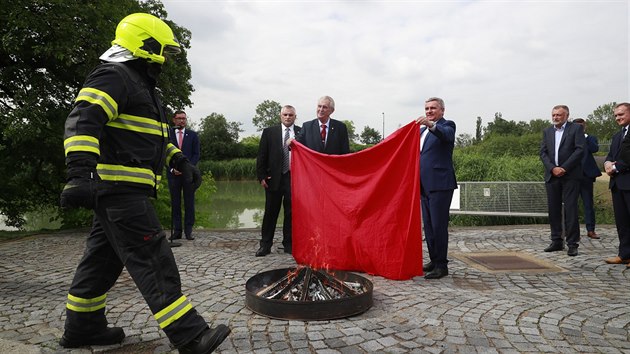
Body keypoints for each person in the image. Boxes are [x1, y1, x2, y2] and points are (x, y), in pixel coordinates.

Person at [58, 13, 230, 352]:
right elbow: (82, 119)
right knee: (153, 258)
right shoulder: (115, 75)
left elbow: (151, 139)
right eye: (164, 51)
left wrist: (178, 159)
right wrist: (79, 172)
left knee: (100, 262)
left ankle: (83, 327)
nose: (166, 59)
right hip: (120, 191)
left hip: (120, 191)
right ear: (146, 44)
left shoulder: (143, 88)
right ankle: (191, 336)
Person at [415, 97, 457, 280]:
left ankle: (442, 265)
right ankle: (433, 260)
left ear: (442, 110)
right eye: (427, 108)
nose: (429, 111)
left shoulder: (447, 125)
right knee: (429, 227)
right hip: (424, 185)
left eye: (433, 108)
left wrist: (431, 125)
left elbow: (445, 135)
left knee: (439, 226)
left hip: (440, 184)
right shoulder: (421, 131)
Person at [255, 105, 301, 256]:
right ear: (280, 116)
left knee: (291, 214)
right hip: (273, 179)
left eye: (291, 115)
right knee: (270, 213)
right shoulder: (269, 132)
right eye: (285, 115)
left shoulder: (301, 132)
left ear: (295, 116)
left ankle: (289, 244)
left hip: (294, 179)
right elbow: (262, 155)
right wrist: (261, 176)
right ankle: (265, 245)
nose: (288, 117)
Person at [539, 105, 585, 257]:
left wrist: (564, 168)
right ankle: (556, 240)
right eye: (553, 114)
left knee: (570, 210)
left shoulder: (575, 129)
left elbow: (579, 150)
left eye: (559, 115)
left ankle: (572, 243)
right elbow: (543, 152)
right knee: (554, 210)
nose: (555, 117)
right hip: (552, 176)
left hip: (570, 175)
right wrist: (552, 168)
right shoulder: (547, 131)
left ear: (566, 115)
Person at [604, 102, 630, 266]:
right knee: (622, 222)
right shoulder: (617, 136)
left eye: (621, 114)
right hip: (617, 185)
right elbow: (610, 155)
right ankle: (625, 254)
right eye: (615, 115)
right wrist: (607, 164)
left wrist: (614, 167)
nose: (618, 118)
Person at [168, 110, 201, 240]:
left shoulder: (192, 135)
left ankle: (188, 231)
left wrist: (188, 169)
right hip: (173, 175)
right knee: (175, 203)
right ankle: (177, 231)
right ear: (174, 120)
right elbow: (163, 153)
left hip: (188, 176)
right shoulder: (168, 134)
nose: (182, 121)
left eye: (184, 118)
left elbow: (196, 154)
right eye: (179, 118)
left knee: (189, 203)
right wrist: (172, 169)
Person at [572, 118, 602, 239]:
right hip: (572, 175)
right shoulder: (569, 138)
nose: (579, 128)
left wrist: (583, 137)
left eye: (581, 126)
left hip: (586, 176)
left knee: (588, 204)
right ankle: (572, 231)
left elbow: (594, 149)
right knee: (571, 204)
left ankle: (591, 230)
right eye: (576, 126)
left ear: (585, 126)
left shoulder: (590, 138)